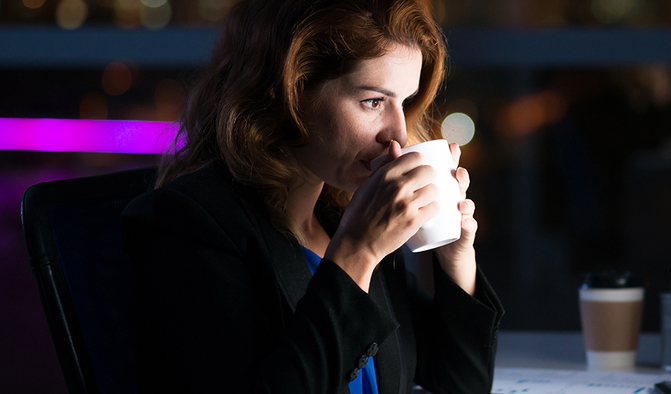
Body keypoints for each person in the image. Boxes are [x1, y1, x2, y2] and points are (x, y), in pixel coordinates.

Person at [120, 0, 504, 392]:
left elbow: (462, 383)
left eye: (403, 103)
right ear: (289, 94)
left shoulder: (342, 217)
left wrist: (456, 256)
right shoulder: (188, 223)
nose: (399, 135)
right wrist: (358, 254)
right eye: (373, 101)